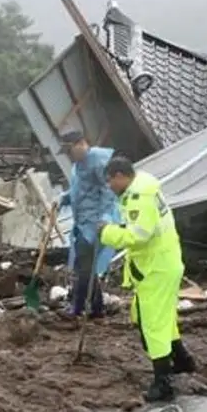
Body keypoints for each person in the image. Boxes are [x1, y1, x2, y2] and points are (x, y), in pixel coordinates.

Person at [98, 156, 196, 402]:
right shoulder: (142, 187)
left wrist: (106, 232)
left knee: (151, 323)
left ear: (121, 176)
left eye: (110, 181)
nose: (110, 186)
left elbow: (139, 235)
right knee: (159, 317)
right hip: (161, 263)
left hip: (156, 268)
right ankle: (183, 360)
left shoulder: (139, 198)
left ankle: (162, 382)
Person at [55, 131, 120, 319]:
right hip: (82, 221)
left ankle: (77, 308)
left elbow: (109, 191)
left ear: (81, 144)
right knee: (85, 266)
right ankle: (97, 308)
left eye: (70, 150)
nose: (69, 155)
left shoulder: (98, 161)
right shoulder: (78, 165)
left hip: (95, 223)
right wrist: (64, 198)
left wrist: (106, 217)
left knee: (83, 266)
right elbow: (80, 189)